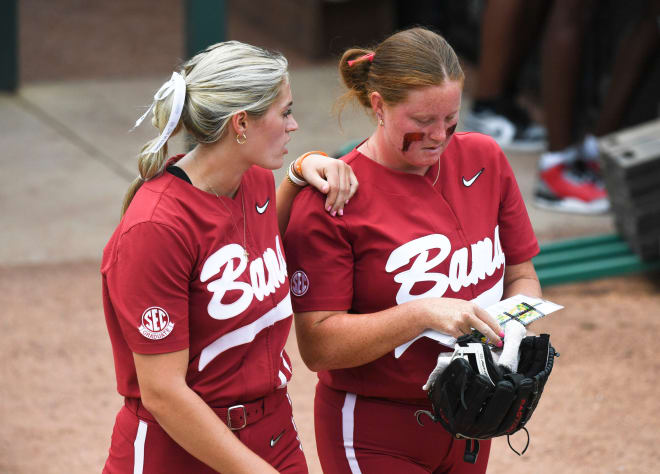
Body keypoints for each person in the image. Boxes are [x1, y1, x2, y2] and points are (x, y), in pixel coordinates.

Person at [284, 27, 542, 473]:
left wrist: (512, 339)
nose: (439, 135)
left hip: (470, 421)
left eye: (451, 118)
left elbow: (522, 273)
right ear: (379, 105)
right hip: (374, 430)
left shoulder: (484, 159)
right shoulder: (336, 197)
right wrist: (423, 313)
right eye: (421, 121)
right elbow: (318, 347)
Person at [101, 41, 357, 474]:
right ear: (241, 123)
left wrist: (297, 176)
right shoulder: (156, 227)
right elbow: (162, 393)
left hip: (273, 433)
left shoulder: (254, 181)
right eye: (285, 112)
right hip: (179, 450)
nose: (294, 126)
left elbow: (249, 248)